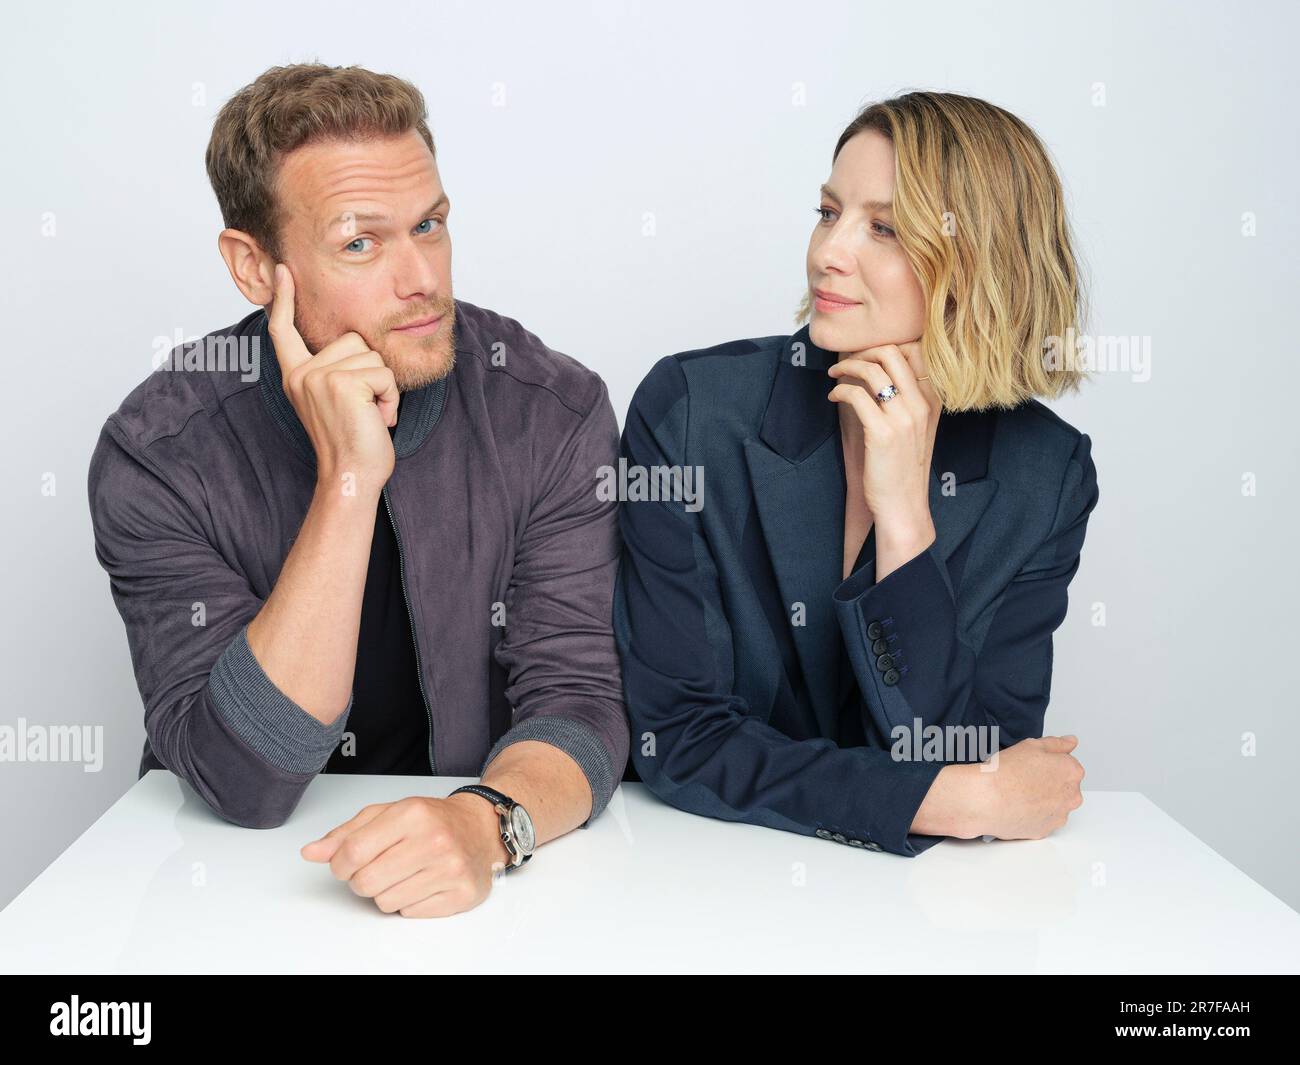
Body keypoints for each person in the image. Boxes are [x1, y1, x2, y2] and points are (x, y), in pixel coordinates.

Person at [88, 63, 628, 917]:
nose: (422, 278)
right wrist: (348, 478)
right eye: (360, 244)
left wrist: (485, 823)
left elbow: (580, 702)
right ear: (256, 267)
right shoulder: (160, 453)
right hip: (228, 888)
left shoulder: (550, 412)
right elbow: (243, 779)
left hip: (483, 889)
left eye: (431, 224)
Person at [614, 91, 1099, 857]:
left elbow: (975, 753)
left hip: (922, 919)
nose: (828, 253)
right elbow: (677, 736)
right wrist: (941, 797)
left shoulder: (1048, 476)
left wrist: (906, 517)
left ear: (980, 263)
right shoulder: (690, 413)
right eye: (827, 211)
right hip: (697, 876)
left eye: (883, 228)